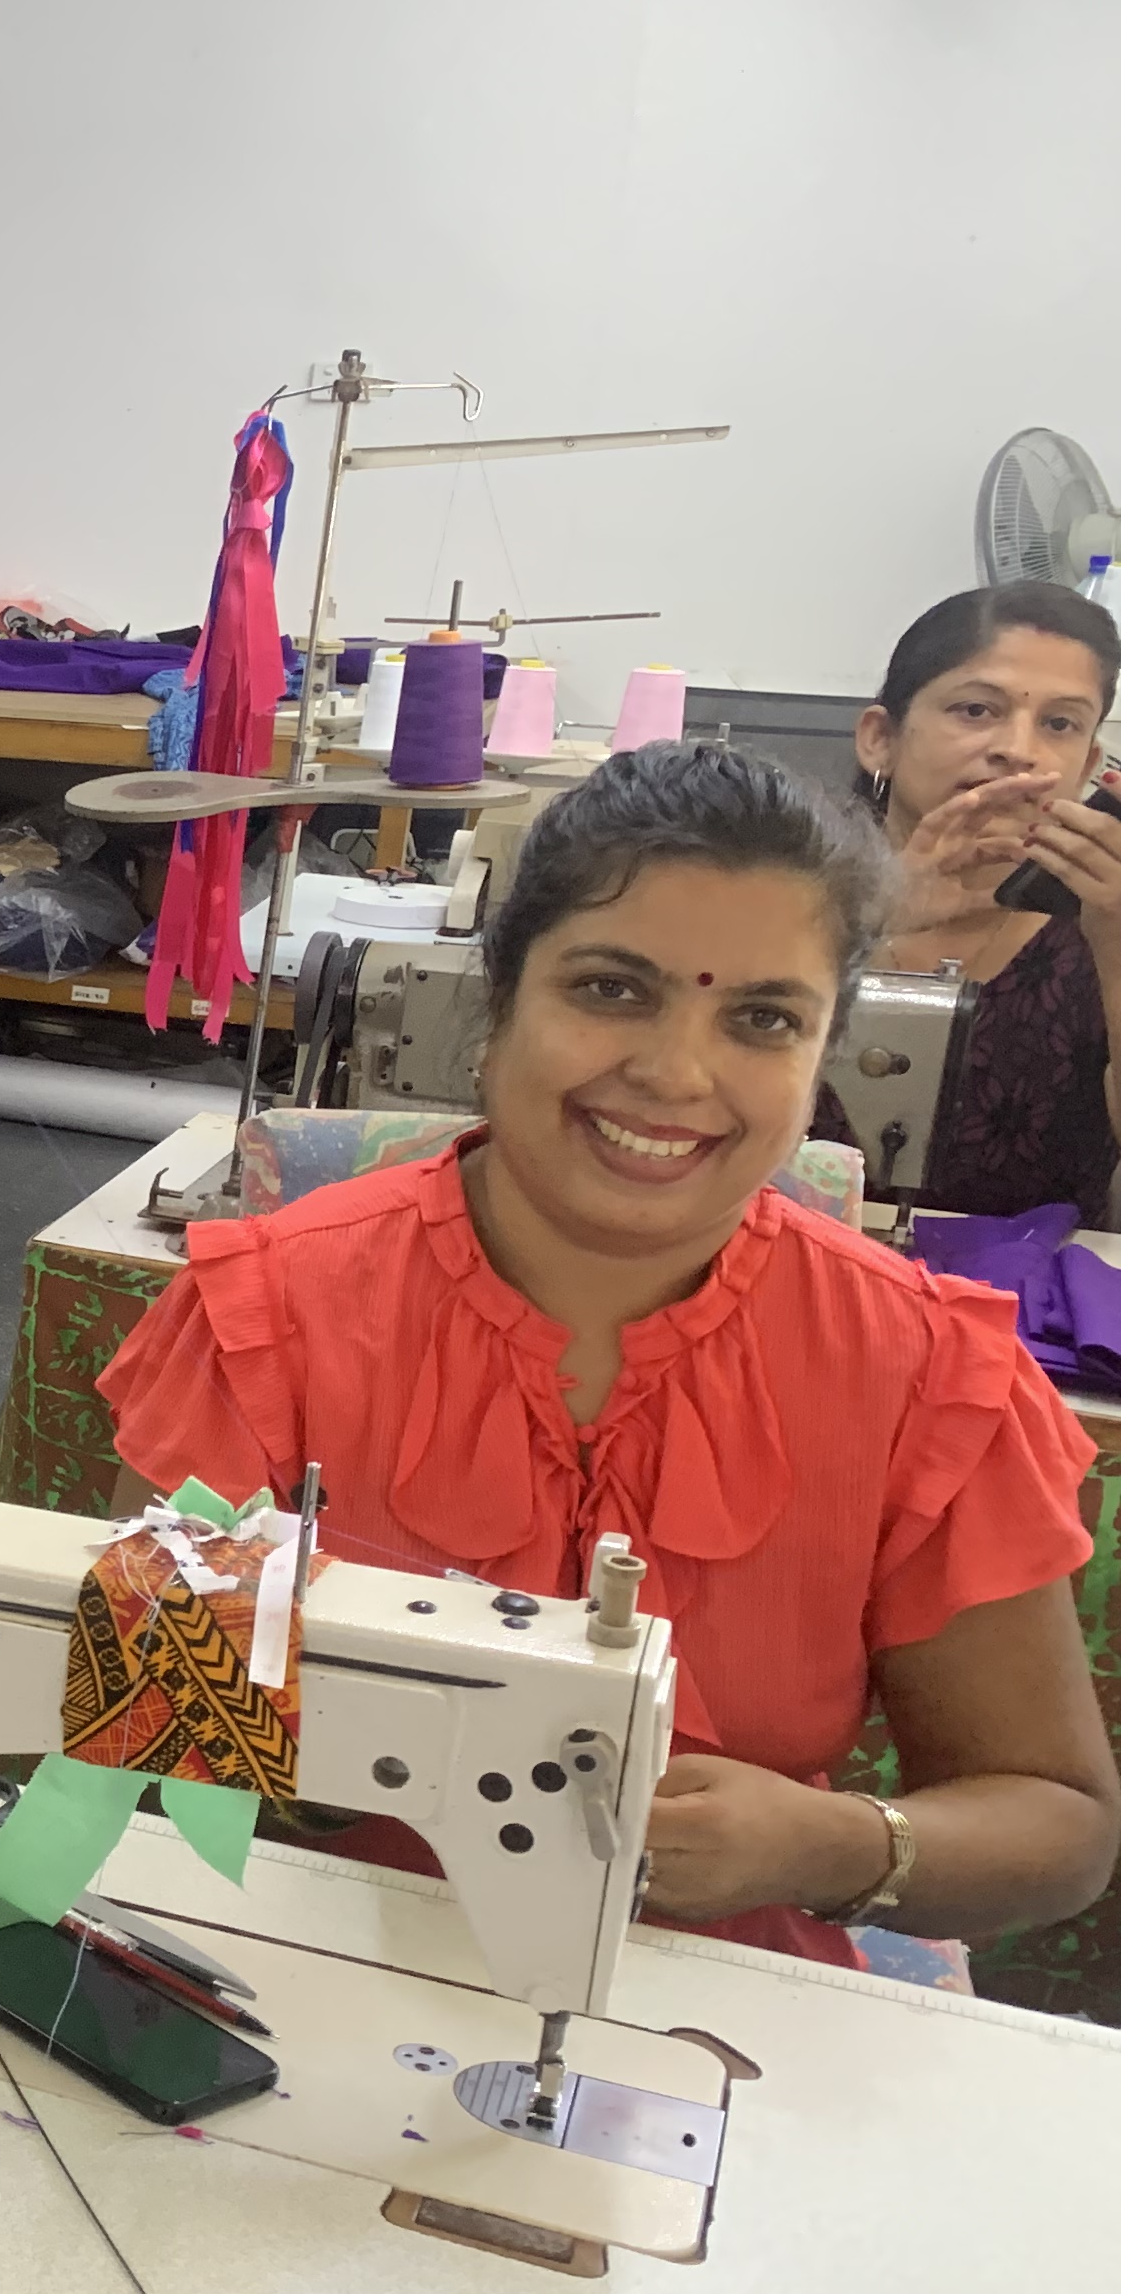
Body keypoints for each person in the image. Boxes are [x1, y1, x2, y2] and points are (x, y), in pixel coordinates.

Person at [103, 741, 1118, 1967]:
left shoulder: (925, 1377)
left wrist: (831, 1845)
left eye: (763, 1019)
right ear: (500, 998)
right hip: (298, 1961)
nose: (674, 1074)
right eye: (611, 990)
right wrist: (340, 1773)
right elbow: (141, 1736)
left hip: (717, 1998)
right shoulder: (263, 1322)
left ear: (824, 1053)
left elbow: (1057, 1823)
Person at [819, 582, 1121, 1220]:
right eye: (976, 710)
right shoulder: (778, 893)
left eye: (1059, 724)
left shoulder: (1098, 931)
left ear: (1088, 764)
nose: (1018, 749)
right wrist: (870, 921)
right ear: (880, 738)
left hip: (1023, 1280)